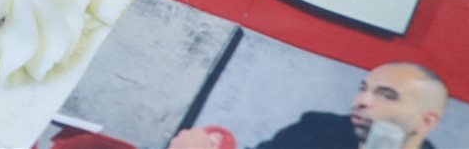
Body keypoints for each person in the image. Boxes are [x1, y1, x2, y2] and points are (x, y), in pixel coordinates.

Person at [166, 62, 447, 149]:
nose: (362, 101)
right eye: (364, 89)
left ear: (426, 121)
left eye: (387, 95)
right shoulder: (319, 129)